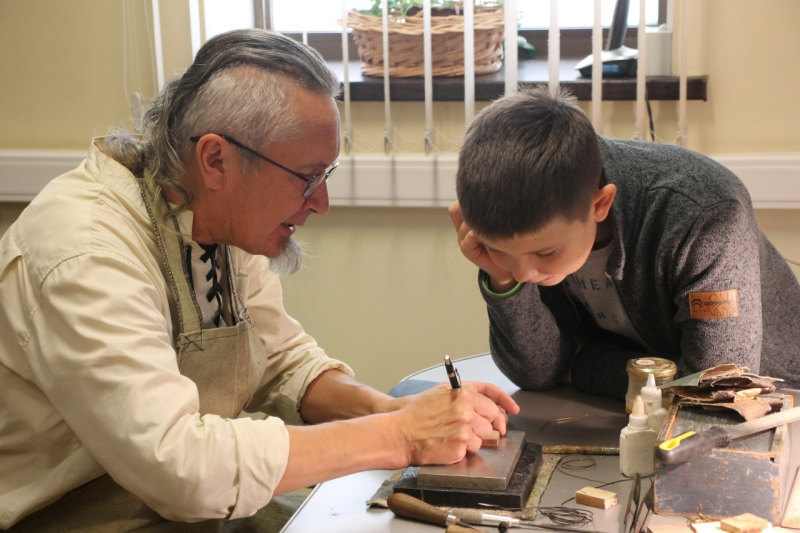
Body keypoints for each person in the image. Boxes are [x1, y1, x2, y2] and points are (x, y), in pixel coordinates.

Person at [0, 29, 519, 531]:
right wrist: (400, 435)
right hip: (77, 514)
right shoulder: (87, 253)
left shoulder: (209, 212)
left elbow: (279, 357)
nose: (321, 202)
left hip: (175, 505)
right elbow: (180, 468)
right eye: (307, 177)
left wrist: (393, 409)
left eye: (326, 176)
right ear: (216, 160)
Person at [449, 85, 800, 401]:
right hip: (628, 411)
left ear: (600, 204)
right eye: (499, 250)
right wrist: (502, 282)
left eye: (545, 252)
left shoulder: (707, 216)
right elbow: (537, 373)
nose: (523, 273)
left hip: (777, 407)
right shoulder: (530, 239)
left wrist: (581, 364)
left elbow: (717, 389)